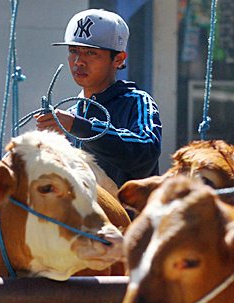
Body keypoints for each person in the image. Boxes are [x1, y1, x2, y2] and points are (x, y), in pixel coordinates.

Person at [36, 9, 161, 188]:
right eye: (73, 51)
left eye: (91, 53)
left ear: (118, 59)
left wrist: (81, 127)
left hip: (128, 215)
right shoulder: (71, 115)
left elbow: (145, 153)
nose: (79, 61)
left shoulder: (136, 102)